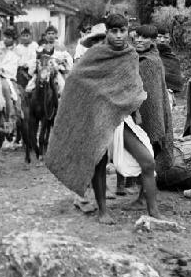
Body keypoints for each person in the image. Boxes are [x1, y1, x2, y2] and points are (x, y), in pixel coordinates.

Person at [45, 14, 161, 224]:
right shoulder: (94, 55)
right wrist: (98, 101)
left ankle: (154, 213)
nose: (118, 35)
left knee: (148, 161)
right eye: (113, 31)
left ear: (128, 32)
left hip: (121, 119)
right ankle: (102, 211)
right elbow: (75, 80)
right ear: (106, 32)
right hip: (97, 118)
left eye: (122, 31)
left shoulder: (131, 56)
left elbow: (133, 87)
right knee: (97, 164)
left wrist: (132, 106)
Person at [124, 24, 173, 208]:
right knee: (145, 156)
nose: (139, 40)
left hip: (150, 115)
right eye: (137, 36)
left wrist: (149, 117)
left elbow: (152, 96)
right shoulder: (137, 58)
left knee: (149, 154)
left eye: (145, 38)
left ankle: (144, 198)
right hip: (137, 113)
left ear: (153, 42)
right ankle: (141, 196)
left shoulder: (150, 62)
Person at [26, 25, 73, 95]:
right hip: (43, 71)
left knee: (62, 86)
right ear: (45, 35)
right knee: (30, 87)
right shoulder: (41, 47)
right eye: (49, 33)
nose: (51, 36)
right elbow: (35, 58)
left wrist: (62, 61)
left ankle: (59, 102)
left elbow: (67, 58)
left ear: (56, 35)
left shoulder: (60, 47)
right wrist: (36, 63)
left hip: (55, 71)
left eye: (53, 34)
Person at [156, 25, 183, 110]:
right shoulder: (147, 56)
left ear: (170, 39)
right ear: (153, 38)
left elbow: (176, 80)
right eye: (159, 37)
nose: (162, 40)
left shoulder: (173, 59)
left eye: (165, 37)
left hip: (168, 96)